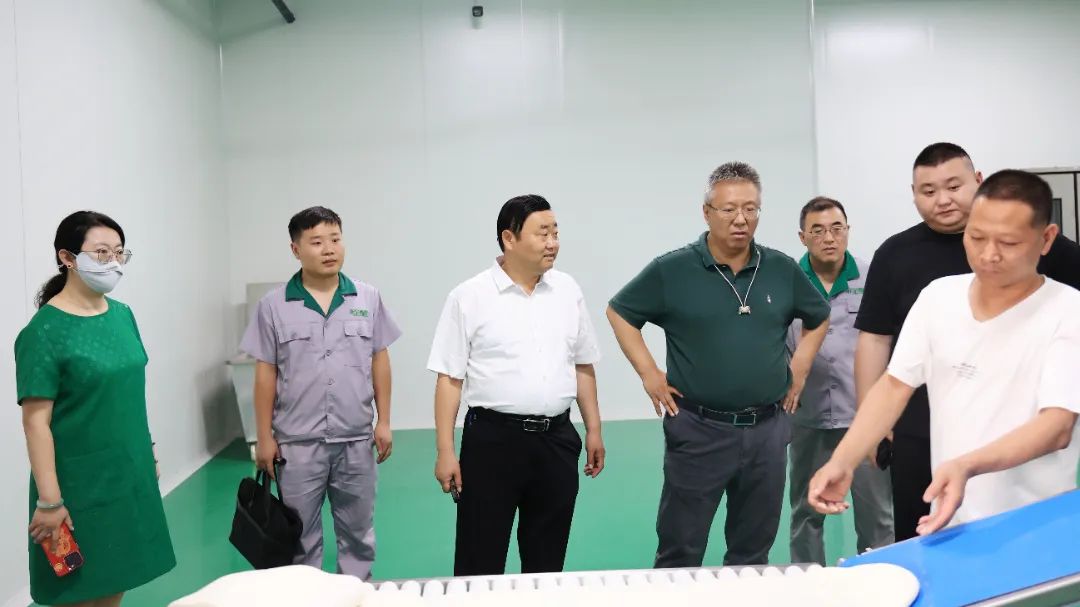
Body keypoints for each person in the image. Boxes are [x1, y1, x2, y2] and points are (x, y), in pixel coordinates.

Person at [811, 170, 1080, 535]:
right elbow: (894, 386)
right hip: (950, 518)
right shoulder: (938, 297)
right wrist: (843, 460)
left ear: (1046, 239)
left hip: (1033, 524)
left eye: (1009, 242)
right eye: (977, 237)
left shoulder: (1067, 310)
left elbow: (1057, 427)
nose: (989, 255)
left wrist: (966, 465)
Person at [607, 162, 831, 567]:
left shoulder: (781, 268)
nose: (741, 219)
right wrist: (649, 374)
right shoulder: (672, 270)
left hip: (767, 430)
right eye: (729, 209)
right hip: (698, 430)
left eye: (751, 209)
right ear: (707, 212)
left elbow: (819, 316)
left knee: (753, 552)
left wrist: (799, 366)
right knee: (680, 549)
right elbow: (620, 313)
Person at [429, 194, 605, 576]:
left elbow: (583, 363)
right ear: (509, 238)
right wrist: (445, 450)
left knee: (547, 560)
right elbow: (449, 378)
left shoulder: (567, 290)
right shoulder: (469, 296)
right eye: (542, 233)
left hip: (557, 440)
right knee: (480, 558)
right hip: (493, 443)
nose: (552, 242)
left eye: (556, 233)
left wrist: (593, 428)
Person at [15, 211, 175, 606]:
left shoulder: (123, 315)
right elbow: (36, 423)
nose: (114, 262)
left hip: (129, 472)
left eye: (120, 253)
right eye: (102, 252)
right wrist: (50, 501)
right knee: (80, 591)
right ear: (67, 258)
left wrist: (148, 451)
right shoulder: (43, 332)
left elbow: (127, 395)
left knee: (117, 579)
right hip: (77, 487)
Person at [240, 206, 401, 579]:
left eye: (335, 239)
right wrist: (264, 437)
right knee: (301, 538)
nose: (329, 249)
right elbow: (265, 374)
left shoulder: (367, 298)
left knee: (359, 534)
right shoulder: (273, 306)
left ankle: (356, 594)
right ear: (296, 249)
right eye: (316, 242)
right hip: (297, 443)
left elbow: (380, 360)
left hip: (355, 438)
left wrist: (385, 421)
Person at [786, 197, 893, 565]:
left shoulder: (873, 277)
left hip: (865, 418)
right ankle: (807, 582)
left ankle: (878, 582)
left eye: (836, 228)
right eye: (817, 231)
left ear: (848, 231)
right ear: (802, 237)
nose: (828, 238)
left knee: (878, 515)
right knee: (805, 513)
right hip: (808, 419)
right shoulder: (787, 281)